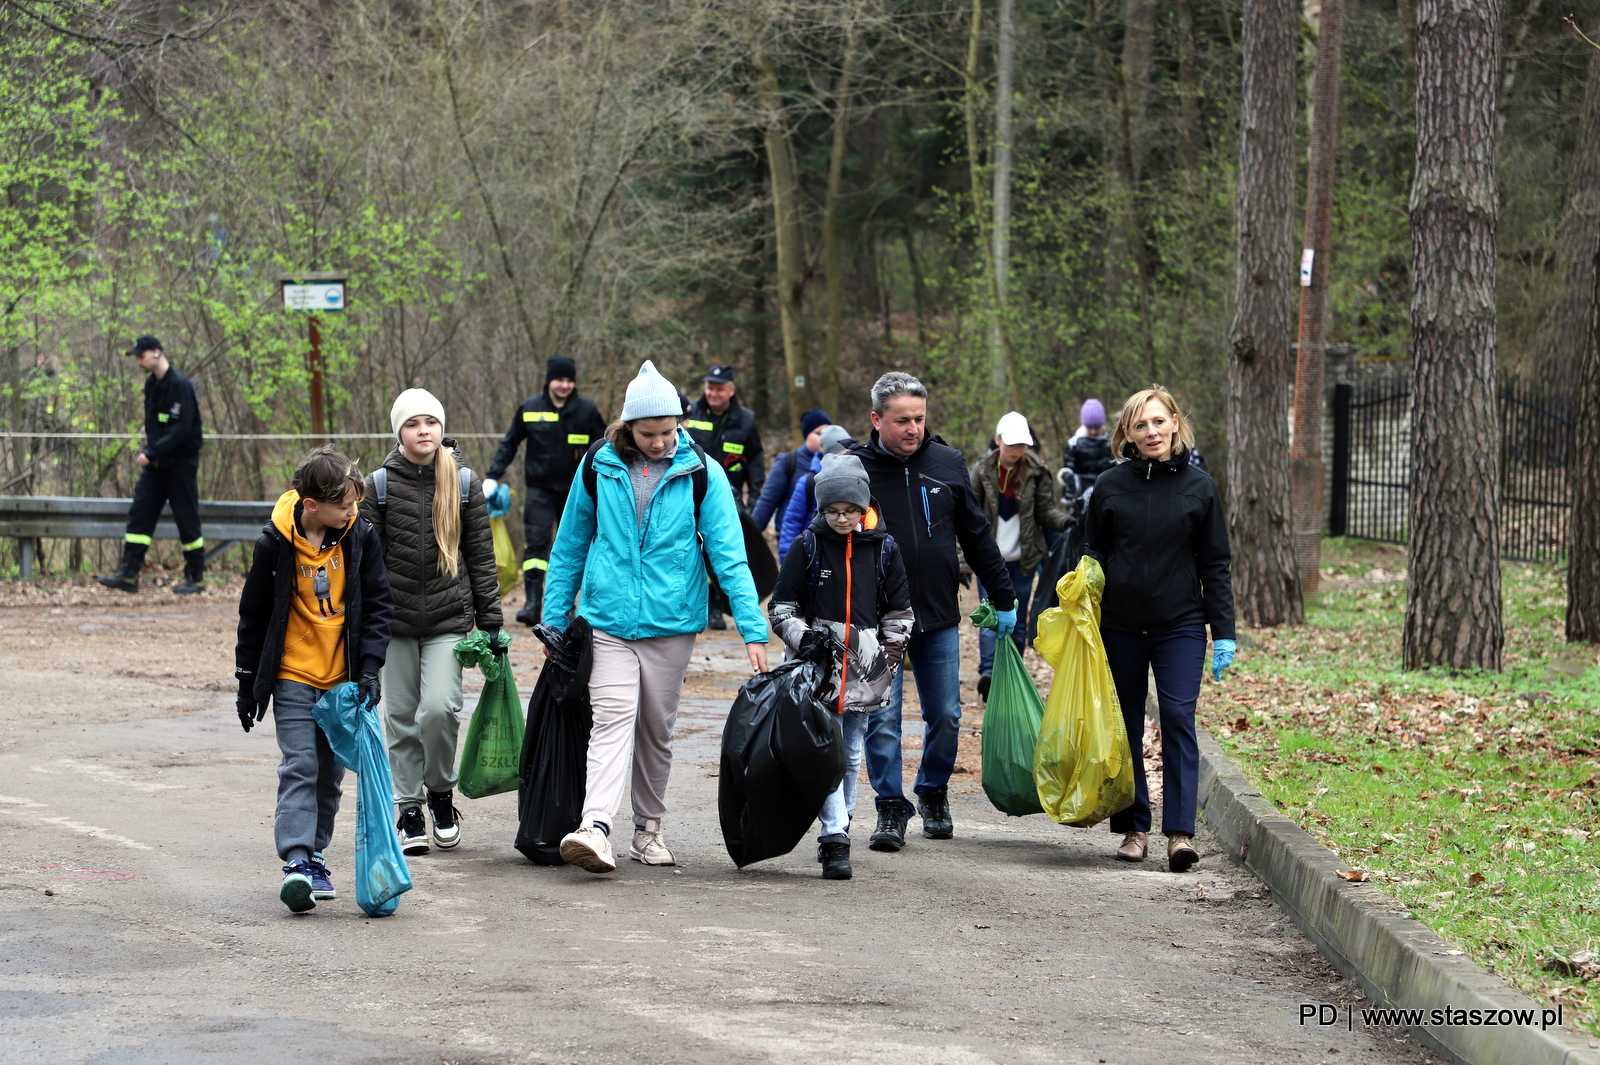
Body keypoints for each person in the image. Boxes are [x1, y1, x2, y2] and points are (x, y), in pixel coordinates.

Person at [544, 360, 769, 874]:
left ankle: (648, 830)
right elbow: (570, 544)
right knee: (612, 719)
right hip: (607, 619)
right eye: (649, 433)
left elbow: (730, 555)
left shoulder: (701, 472)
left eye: (669, 431)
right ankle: (595, 827)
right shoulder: (596, 464)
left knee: (656, 728)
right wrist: (555, 619)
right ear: (627, 427)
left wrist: (752, 629)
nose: (661, 441)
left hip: (673, 623)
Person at [849, 372, 1016, 850]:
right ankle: (889, 807)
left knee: (946, 714)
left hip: (939, 613)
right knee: (882, 716)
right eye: (902, 420)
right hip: (877, 621)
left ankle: (933, 790)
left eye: (920, 419)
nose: (913, 429)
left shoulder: (947, 463)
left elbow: (977, 536)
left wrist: (1003, 598)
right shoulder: (856, 470)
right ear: (877, 419)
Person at [1082, 386, 1236, 873]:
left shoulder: (1200, 487)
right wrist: (1078, 608)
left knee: (1177, 718)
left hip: (1181, 626)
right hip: (1120, 627)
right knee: (1125, 725)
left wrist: (1224, 630)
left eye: (1158, 422)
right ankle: (1134, 829)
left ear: (1175, 423)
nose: (1151, 432)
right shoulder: (1109, 486)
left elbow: (1216, 564)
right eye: (1140, 425)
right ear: (1127, 432)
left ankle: (1180, 834)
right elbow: (1092, 556)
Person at [234, 447, 394, 912]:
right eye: (344, 505)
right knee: (300, 764)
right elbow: (254, 613)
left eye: (354, 504)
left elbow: (380, 607)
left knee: (330, 773)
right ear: (311, 505)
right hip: (292, 676)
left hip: (341, 681)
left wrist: (369, 668)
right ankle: (297, 861)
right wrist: (247, 682)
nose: (353, 511)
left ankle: (317, 854)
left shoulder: (360, 536)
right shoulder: (275, 542)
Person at [362, 389, 503, 856]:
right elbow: (364, 565)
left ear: (441, 429)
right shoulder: (377, 486)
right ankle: (408, 809)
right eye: (412, 423)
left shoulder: (463, 483)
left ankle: (441, 795)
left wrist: (492, 624)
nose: (423, 430)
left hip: (447, 619)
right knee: (400, 718)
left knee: (440, 709)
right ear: (398, 432)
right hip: (394, 623)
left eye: (431, 422)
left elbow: (482, 558)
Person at [770, 453, 913, 880]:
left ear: (864, 506)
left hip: (865, 670)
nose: (841, 519)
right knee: (826, 752)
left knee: (851, 754)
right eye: (832, 511)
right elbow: (782, 608)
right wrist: (805, 639)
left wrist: (885, 661)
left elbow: (900, 615)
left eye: (849, 510)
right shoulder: (807, 546)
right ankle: (834, 838)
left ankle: (842, 823)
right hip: (816, 669)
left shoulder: (885, 550)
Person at [482, 356, 608, 627]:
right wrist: (493, 476)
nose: (564, 385)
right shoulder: (530, 408)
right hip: (539, 490)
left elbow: (606, 446)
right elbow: (509, 444)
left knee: (576, 547)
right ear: (549, 380)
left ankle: (571, 606)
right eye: (559, 379)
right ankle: (532, 603)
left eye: (569, 380)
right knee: (536, 545)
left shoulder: (586, 410)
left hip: (577, 493)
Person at [969, 412, 1068, 700]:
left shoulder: (1037, 472)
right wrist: (962, 562)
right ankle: (989, 673)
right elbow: (968, 518)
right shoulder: (980, 472)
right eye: (1011, 443)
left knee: (1019, 620)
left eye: (1022, 444)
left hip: (1024, 560)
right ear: (998, 440)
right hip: (989, 561)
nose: (1016, 449)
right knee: (991, 618)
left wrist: (1065, 523)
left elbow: (1045, 512)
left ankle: (1012, 672)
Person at [97, 336, 207, 595]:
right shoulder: (152, 384)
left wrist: (153, 450)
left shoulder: (180, 385)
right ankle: (129, 573)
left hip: (180, 464)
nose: (138, 361)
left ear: (157, 353)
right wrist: (153, 452)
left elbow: (181, 427)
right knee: (140, 513)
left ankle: (195, 576)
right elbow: (154, 422)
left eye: (141, 356)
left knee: (186, 518)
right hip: (156, 464)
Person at [685, 364, 766, 630]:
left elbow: (755, 460)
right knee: (696, 552)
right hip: (692, 494)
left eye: (719, 389)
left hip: (728, 498)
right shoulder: (691, 413)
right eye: (710, 388)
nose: (713, 393)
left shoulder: (746, 420)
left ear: (731, 391)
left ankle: (720, 604)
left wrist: (754, 495)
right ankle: (709, 605)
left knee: (721, 550)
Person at [777, 425, 854, 561]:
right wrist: (788, 560)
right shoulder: (808, 482)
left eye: (849, 453)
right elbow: (792, 522)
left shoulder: (858, 480)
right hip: (812, 556)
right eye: (841, 455)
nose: (845, 459)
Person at [750, 408, 831, 531]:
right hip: (791, 538)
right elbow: (767, 502)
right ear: (806, 435)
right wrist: (749, 536)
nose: (824, 438)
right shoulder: (788, 462)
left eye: (828, 432)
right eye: (819, 433)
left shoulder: (837, 462)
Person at [1065, 398, 1114, 493]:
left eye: (1097, 427)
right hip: (1081, 491)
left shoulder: (1109, 442)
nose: (1093, 431)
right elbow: (1069, 465)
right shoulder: (1074, 444)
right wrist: (1067, 475)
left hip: (1105, 489)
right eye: (1089, 427)